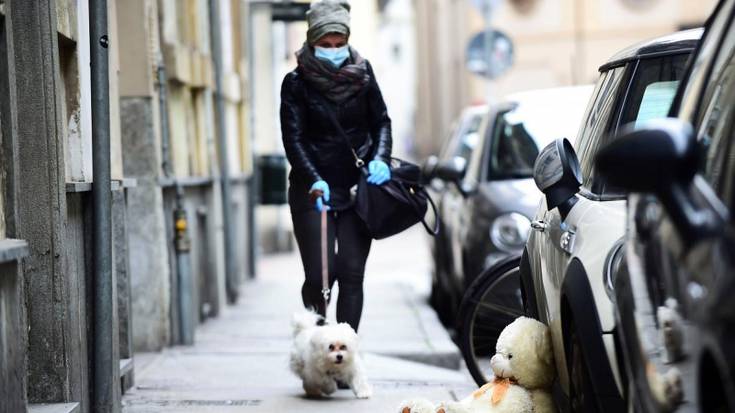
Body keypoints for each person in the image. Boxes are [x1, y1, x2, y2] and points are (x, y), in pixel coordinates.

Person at [280, 0, 392, 332]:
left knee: (352, 273)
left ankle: (345, 355)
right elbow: (294, 138)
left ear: (347, 40)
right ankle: (316, 348)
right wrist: (313, 178)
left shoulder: (364, 74)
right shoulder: (296, 83)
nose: (333, 50)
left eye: (339, 43)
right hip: (313, 191)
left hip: (359, 189)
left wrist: (380, 160)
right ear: (312, 42)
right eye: (326, 44)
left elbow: (381, 123)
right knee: (319, 276)